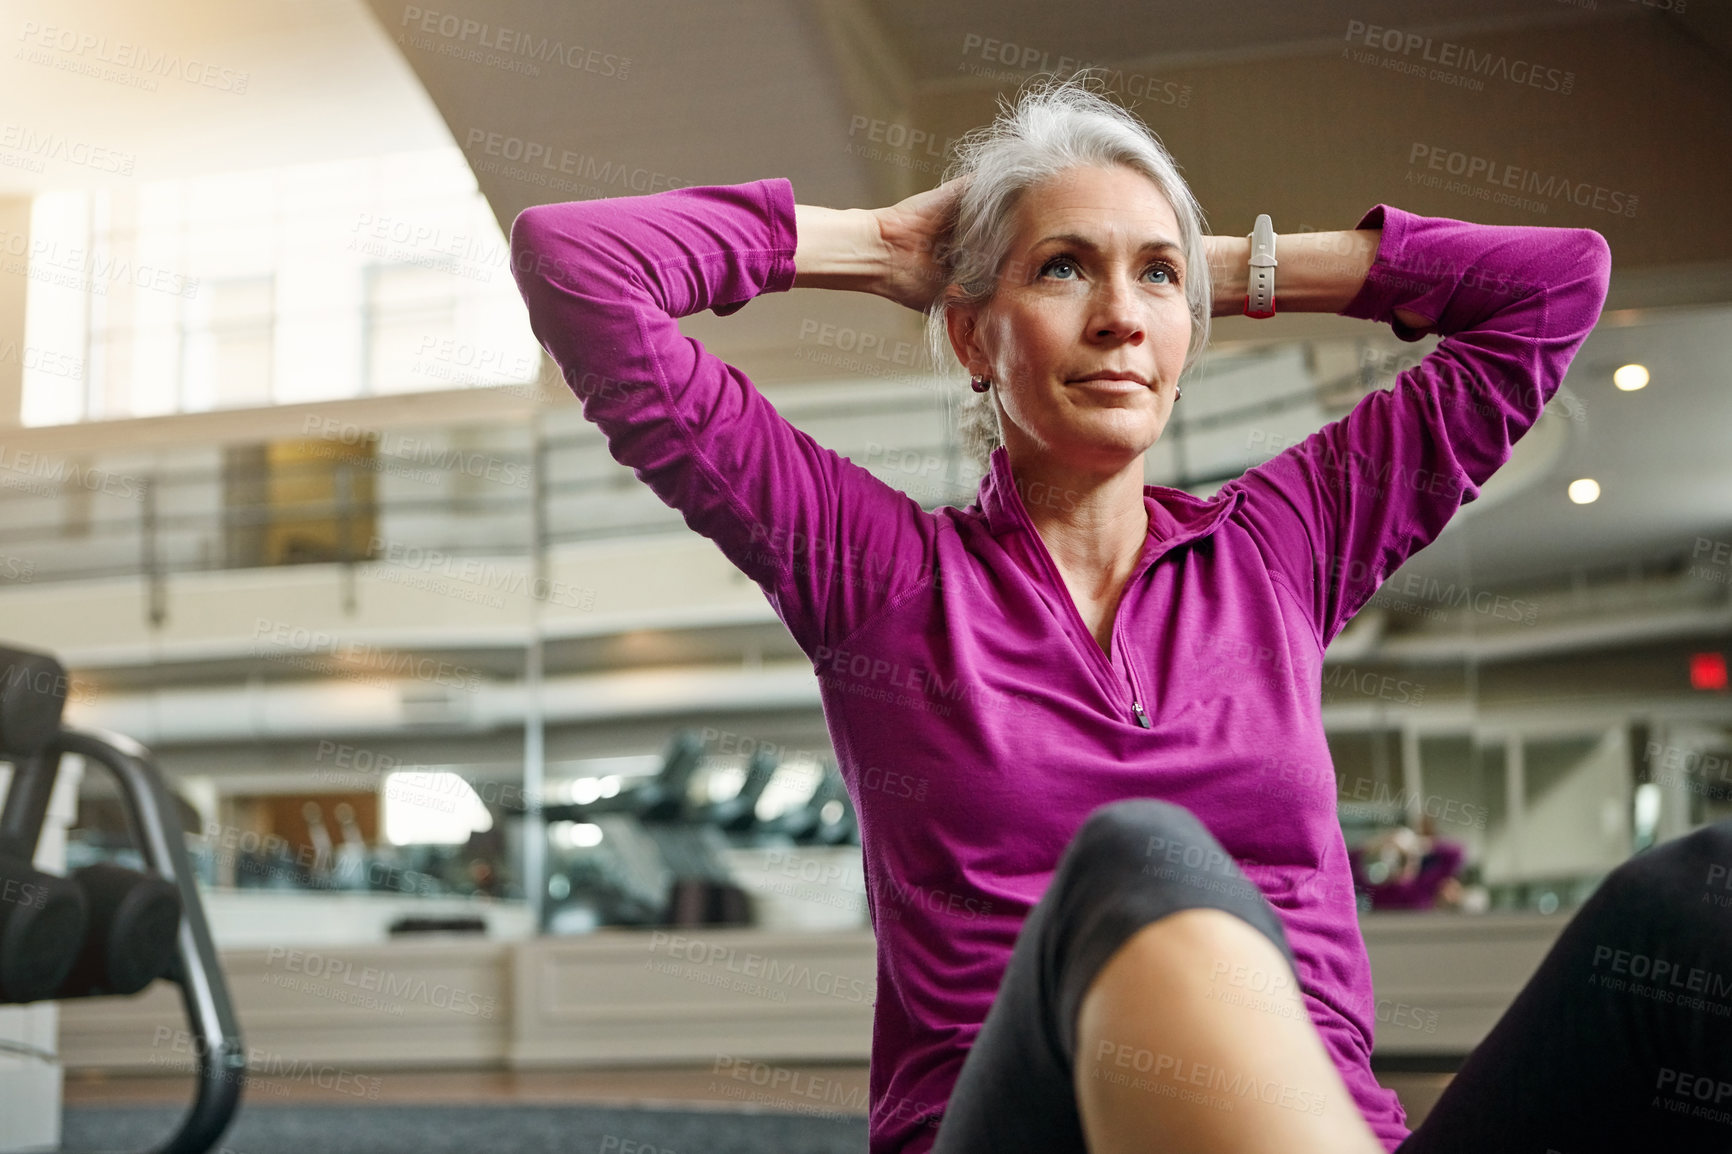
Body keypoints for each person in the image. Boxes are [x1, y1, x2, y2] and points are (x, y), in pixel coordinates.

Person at [509, 75, 1732, 1154]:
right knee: (1142, 853)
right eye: (1060, 268)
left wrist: (1237, 269)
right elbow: (578, 263)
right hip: (1028, 1126)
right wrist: (875, 238)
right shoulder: (875, 572)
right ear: (972, 335)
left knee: (1696, 896)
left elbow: (1554, 284)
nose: (1119, 316)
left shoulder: (1279, 547)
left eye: (1154, 276)